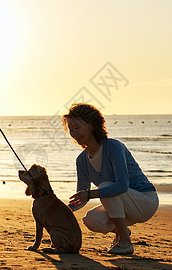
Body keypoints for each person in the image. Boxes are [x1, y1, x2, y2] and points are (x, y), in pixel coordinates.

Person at [63, 103, 159, 254]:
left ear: (92, 126)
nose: (73, 133)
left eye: (77, 127)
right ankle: (123, 232)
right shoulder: (81, 160)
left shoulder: (113, 147)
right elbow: (82, 196)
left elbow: (121, 186)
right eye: (70, 129)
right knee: (91, 220)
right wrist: (63, 211)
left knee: (106, 187)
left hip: (145, 201)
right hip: (120, 206)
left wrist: (89, 194)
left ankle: (125, 243)